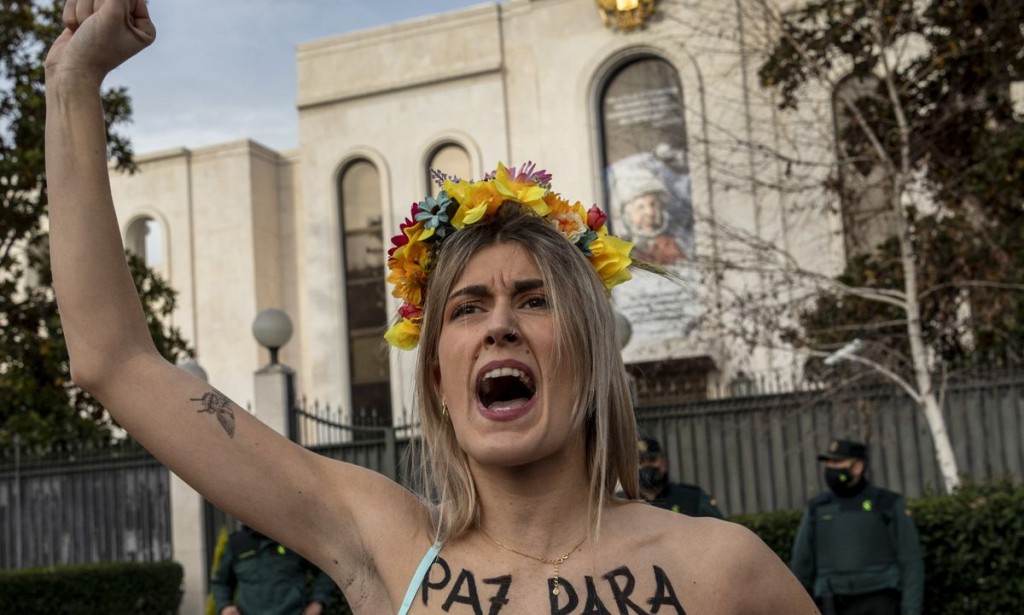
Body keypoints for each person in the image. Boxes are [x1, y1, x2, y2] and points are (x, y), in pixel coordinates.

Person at [44, 2, 819, 612]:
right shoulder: (389, 547)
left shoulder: (722, 571)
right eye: (467, 308)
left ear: (587, 350)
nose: (498, 325)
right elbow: (115, 360)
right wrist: (73, 84)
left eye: (533, 300)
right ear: (440, 379)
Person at [790, 439, 924, 615]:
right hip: (833, 601)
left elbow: (911, 561)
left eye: (837, 462)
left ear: (858, 467)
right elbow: (801, 563)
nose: (831, 468)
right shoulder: (818, 508)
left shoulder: (887, 504)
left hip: (880, 600)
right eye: (829, 463)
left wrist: (911, 610)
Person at [211, 524, 336, 615]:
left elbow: (327, 571)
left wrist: (317, 602)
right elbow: (221, 582)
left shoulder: (294, 540)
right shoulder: (238, 543)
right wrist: (225, 606)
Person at [637, 436, 724, 518]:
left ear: (664, 463)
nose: (647, 466)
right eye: (641, 462)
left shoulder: (693, 499)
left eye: (652, 460)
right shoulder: (627, 504)